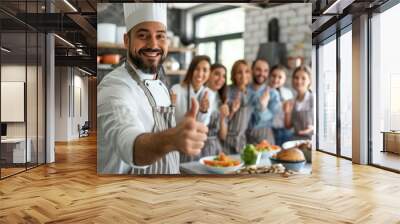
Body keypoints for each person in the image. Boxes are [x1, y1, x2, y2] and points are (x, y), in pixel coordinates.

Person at [97, 3, 208, 174]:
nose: (153, 44)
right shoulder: (115, 87)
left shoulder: (162, 87)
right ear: (127, 41)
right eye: (143, 35)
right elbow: (128, 143)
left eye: (160, 36)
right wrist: (172, 139)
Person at [180, 64, 229, 162]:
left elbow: (223, 136)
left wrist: (223, 118)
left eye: (224, 76)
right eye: (217, 74)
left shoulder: (221, 101)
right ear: (208, 75)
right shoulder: (196, 95)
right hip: (197, 147)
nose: (221, 79)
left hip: (214, 150)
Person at [171, 55, 215, 126]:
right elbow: (168, 118)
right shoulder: (176, 89)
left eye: (205, 70)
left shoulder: (209, 94)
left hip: (196, 135)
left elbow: (203, 124)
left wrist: (203, 111)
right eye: (197, 69)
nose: (200, 74)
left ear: (209, 73)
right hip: (176, 134)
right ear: (191, 70)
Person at [246, 59, 281, 145]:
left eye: (265, 71)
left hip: (265, 137)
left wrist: (263, 108)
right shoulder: (244, 90)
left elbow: (274, 120)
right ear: (252, 70)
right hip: (244, 137)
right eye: (258, 69)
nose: (262, 73)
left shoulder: (273, 94)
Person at [225, 60, 253, 154]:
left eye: (246, 71)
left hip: (242, 141)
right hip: (226, 139)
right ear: (233, 75)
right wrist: (232, 111)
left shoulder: (250, 93)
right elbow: (222, 119)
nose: (243, 75)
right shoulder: (227, 91)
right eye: (239, 72)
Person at [283, 65, 314, 140]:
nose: (299, 81)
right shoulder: (291, 101)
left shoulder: (314, 98)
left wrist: (313, 128)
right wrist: (287, 112)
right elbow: (288, 126)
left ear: (309, 80)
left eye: (303, 78)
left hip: (312, 140)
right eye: (296, 78)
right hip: (296, 140)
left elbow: (325, 124)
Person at [268, 64, 294, 146]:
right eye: (273, 76)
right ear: (269, 76)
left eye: (280, 77)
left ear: (284, 79)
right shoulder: (265, 91)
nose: (276, 79)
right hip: (270, 131)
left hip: (286, 131)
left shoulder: (288, 93)